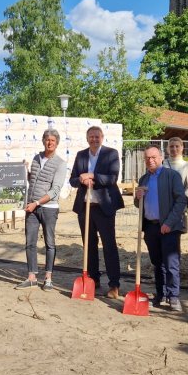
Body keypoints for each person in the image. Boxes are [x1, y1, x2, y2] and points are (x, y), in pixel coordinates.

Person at [68, 126, 125, 298]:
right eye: (91, 137)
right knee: (89, 246)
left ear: (102, 137)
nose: (94, 139)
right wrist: (80, 179)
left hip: (104, 207)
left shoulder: (111, 153)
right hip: (85, 207)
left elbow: (113, 178)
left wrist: (92, 175)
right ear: (87, 138)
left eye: (97, 136)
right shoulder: (81, 155)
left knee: (109, 246)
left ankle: (114, 284)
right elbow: (72, 180)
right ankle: (93, 279)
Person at [135, 146, 188, 311]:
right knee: (157, 263)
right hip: (150, 227)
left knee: (171, 263)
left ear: (161, 157)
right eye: (147, 158)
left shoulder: (171, 176)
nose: (150, 160)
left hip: (168, 227)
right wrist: (137, 198)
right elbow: (140, 205)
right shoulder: (144, 179)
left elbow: (181, 201)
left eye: (153, 157)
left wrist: (169, 223)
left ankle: (173, 296)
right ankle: (160, 293)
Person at [16, 129, 67, 291]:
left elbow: (55, 191)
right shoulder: (36, 159)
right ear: (43, 141)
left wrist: (37, 203)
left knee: (49, 243)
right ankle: (32, 277)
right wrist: (25, 171)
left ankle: (48, 278)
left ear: (57, 143)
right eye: (47, 139)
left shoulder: (60, 163)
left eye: (52, 140)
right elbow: (34, 180)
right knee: (30, 242)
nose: (49, 142)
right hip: (32, 206)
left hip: (48, 208)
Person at [163, 136, 188, 223]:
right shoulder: (162, 164)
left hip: (179, 208)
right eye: (171, 146)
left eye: (177, 146)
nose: (174, 149)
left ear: (182, 147)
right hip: (163, 206)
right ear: (167, 148)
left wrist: (183, 207)